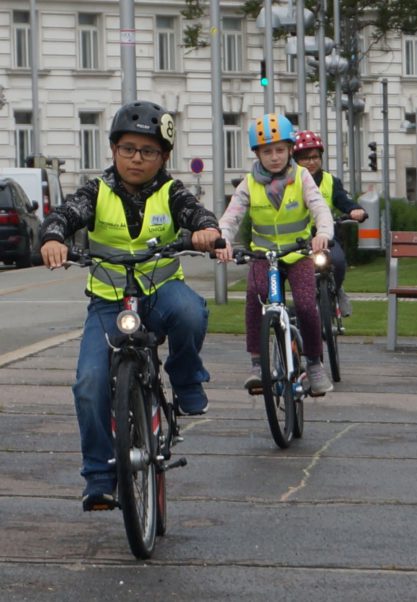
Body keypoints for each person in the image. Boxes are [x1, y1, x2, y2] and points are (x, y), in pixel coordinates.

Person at [39, 100, 222, 512]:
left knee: (192, 311)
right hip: (108, 304)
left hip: (160, 297)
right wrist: (53, 238)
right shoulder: (95, 190)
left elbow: (197, 213)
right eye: (128, 149)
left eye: (148, 151)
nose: (136, 158)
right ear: (114, 150)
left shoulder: (171, 192)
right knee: (89, 384)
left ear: (164, 157)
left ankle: (187, 380)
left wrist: (206, 231)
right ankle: (100, 477)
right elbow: (65, 215)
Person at [216, 113, 335, 396]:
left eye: (280, 150)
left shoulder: (302, 177)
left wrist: (323, 234)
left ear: (290, 150)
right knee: (254, 298)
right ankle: (258, 364)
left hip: (297, 256)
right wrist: (222, 240)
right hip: (264, 258)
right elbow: (232, 216)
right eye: (267, 151)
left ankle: (315, 364)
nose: (274, 157)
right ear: (256, 154)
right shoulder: (249, 183)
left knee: (306, 305)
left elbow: (320, 208)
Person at [292, 130, 367, 317]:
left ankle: (335, 292)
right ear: (296, 161)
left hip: (324, 236)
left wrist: (354, 210)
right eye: (305, 158)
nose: (311, 162)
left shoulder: (331, 181)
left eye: (315, 157)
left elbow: (344, 200)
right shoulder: (290, 182)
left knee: (338, 262)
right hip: (298, 237)